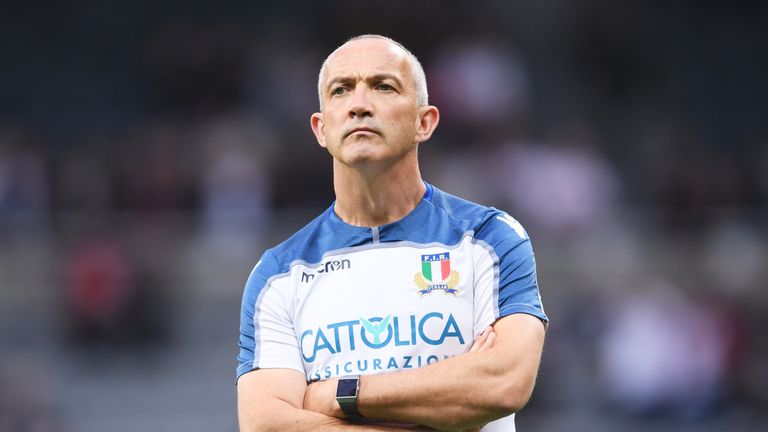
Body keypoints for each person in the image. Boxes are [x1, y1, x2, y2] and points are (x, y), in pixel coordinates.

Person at [236, 34, 548, 431]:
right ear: (320, 128)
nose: (360, 105)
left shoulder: (490, 239)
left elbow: (503, 384)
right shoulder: (278, 273)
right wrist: (447, 398)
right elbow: (266, 424)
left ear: (424, 122)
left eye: (383, 87)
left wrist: (338, 395)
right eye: (341, 90)